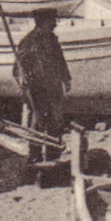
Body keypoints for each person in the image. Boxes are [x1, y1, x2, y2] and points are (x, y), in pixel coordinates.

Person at [14, 9, 71, 162]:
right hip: (37, 88)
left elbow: (60, 60)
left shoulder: (52, 39)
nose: (55, 24)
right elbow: (17, 67)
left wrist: (66, 79)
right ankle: (35, 155)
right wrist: (22, 79)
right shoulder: (28, 41)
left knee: (55, 120)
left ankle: (53, 155)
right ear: (43, 22)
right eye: (52, 21)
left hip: (53, 86)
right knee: (38, 121)